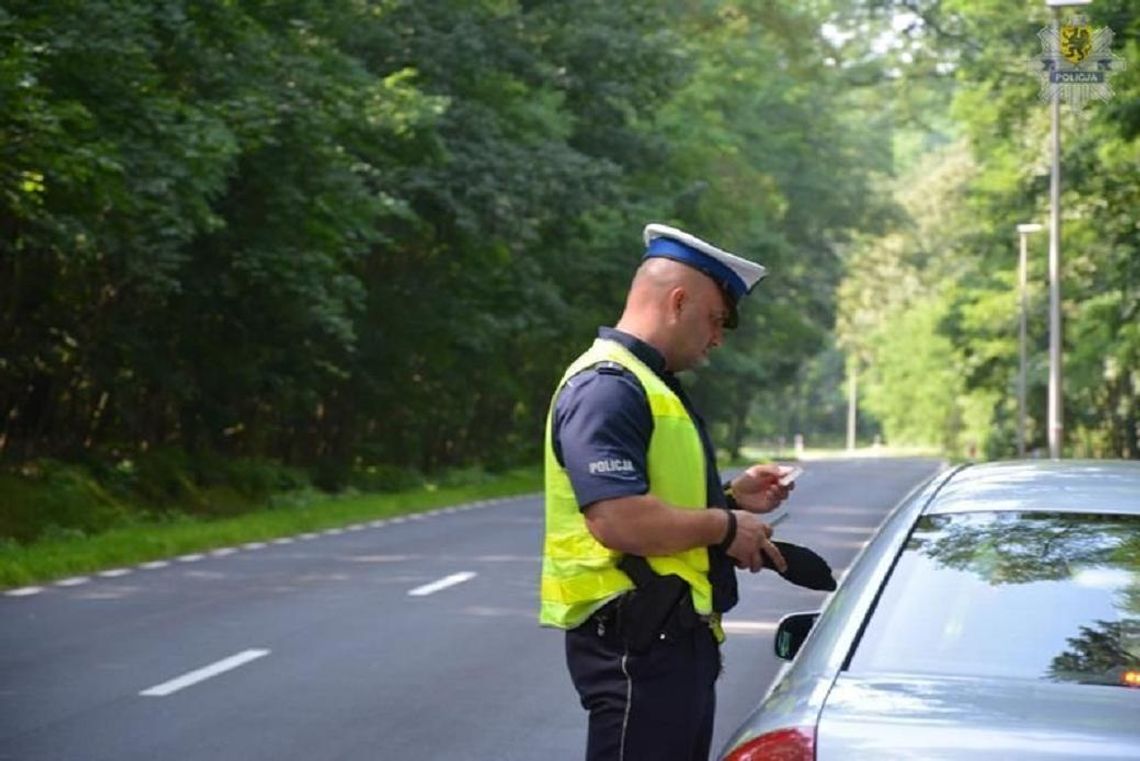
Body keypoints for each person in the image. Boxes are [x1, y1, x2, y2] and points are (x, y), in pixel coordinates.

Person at [539, 223, 794, 761]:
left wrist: (731, 499)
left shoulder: (648, 384)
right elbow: (618, 520)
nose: (719, 337)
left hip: (667, 641)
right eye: (716, 319)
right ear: (678, 301)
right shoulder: (608, 388)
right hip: (636, 641)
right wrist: (726, 528)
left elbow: (648, 494)